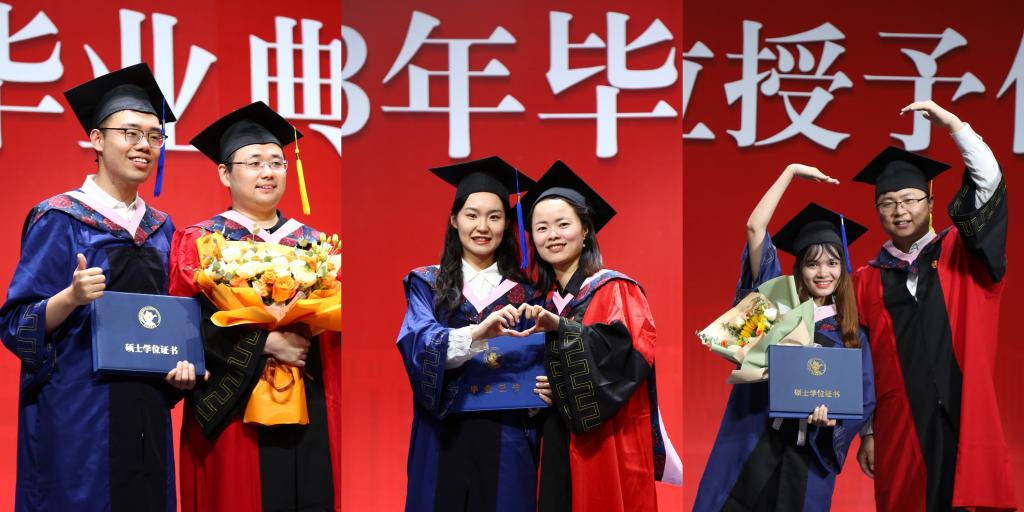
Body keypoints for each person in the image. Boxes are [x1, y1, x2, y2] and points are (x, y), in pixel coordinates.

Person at [0, 63, 198, 512]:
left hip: (145, 415)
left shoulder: (162, 230)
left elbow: (173, 324)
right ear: (96, 139)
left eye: (154, 136)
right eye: (130, 133)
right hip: (77, 417)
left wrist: (184, 367)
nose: (143, 145)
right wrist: (70, 297)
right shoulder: (60, 218)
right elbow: (16, 326)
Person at [169, 101, 340, 512]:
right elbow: (184, 326)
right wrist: (264, 344)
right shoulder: (200, 241)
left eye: (277, 163)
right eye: (254, 163)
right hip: (231, 407)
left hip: (306, 401)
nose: (268, 172)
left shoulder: (315, 246)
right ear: (225, 173)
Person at [851, 101, 1016, 511]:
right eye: (888, 202)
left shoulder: (963, 253)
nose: (900, 211)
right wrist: (868, 431)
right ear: (877, 210)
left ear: (929, 200)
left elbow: (989, 190)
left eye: (910, 199)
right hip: (901, 430)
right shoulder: (865, 280)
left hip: (964, 418)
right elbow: (860, 363)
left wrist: (956, 127)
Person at [692, 162, 875, 511]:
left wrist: (833, 421)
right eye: (813, 264)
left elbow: (863, 400)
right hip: (755, 442)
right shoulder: (779, 306)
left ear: (843, 269)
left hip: (808, 459)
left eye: (832, 263)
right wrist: (789, 173)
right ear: (800, 268)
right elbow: (754, 227)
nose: (823, 273)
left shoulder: (852, 334)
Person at [517, 161, 678, 512]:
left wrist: (562, 331)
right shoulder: (538, 302)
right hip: (553, 441)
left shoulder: (616, 289)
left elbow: (626, 357)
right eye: (541, 228)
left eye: (563, 224)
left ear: (586, 229)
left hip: (604, 442)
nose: (552, 235)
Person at [396, 156, 545, 512]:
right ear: (454, 220)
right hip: (442, 435)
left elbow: (540, 360)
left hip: (507, 436)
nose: (482, 227)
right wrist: (477, 333)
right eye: (472, 215)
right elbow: (418, 344)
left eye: (494, 217)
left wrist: (547, 389)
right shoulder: (427, 284)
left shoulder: (530, 295)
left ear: (507, 223)